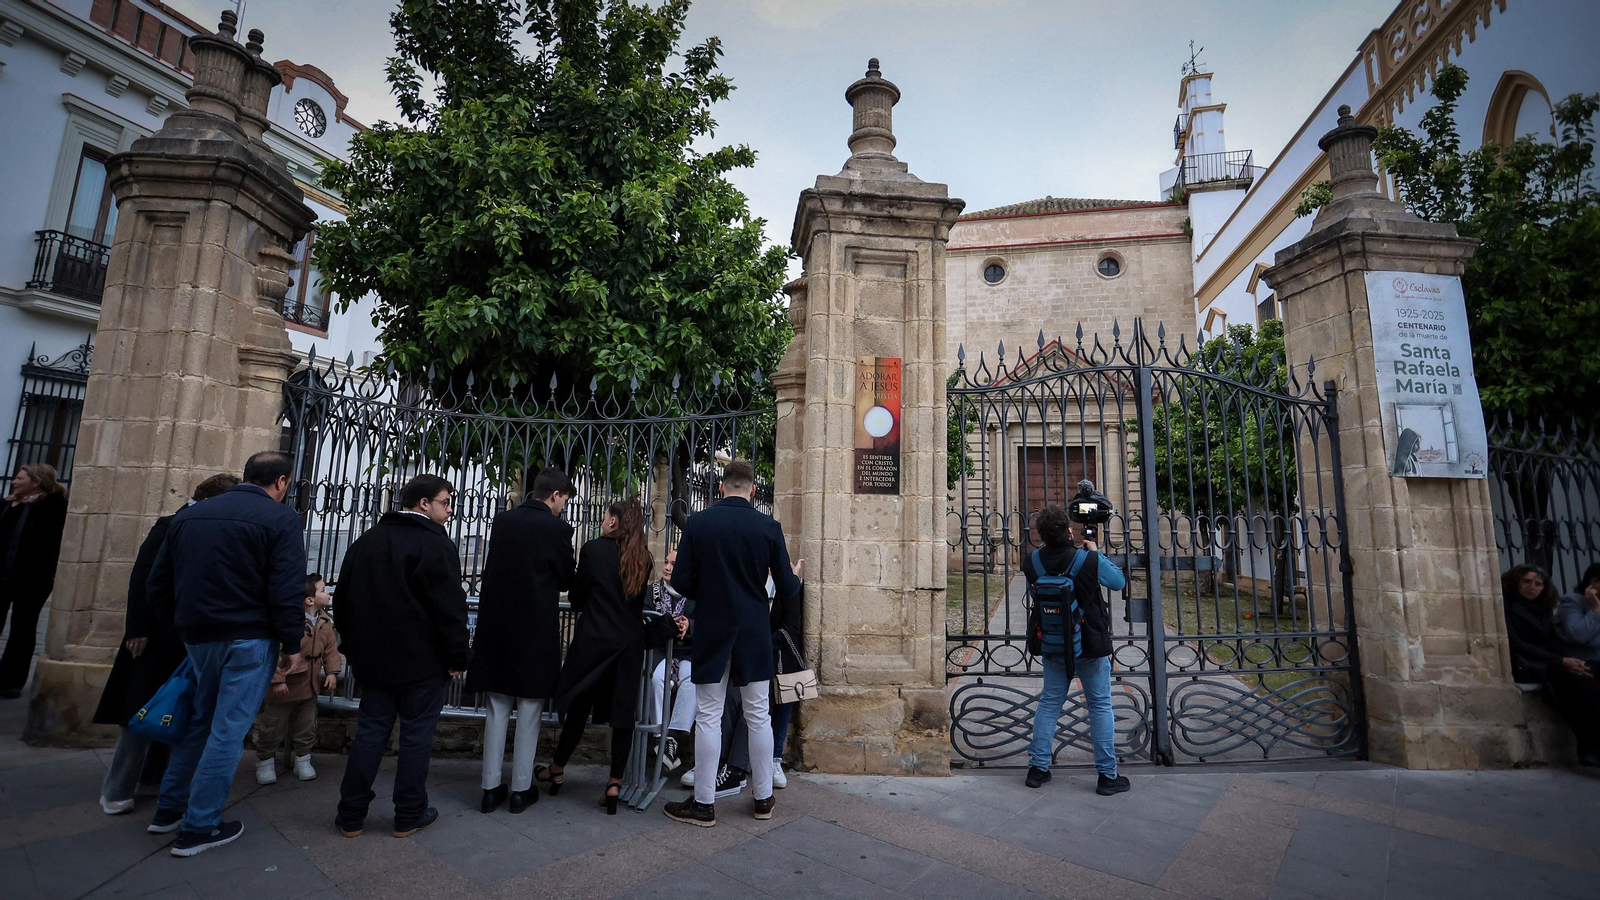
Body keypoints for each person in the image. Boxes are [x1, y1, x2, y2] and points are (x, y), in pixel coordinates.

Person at [144, 452, 307, 857]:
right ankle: (199, 826)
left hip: (199, 636)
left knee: (200, 722)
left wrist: (182, 624)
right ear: (281, 482)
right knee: (227, 731)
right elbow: (286, 587)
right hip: (248, 637)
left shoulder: (188, 516)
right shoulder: (280, 518)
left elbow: (158, 582)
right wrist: (292, 645)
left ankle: (168, 809)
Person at [332, 474, 471, 839]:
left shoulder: (368, 541)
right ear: (423, 503)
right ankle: (409, 813)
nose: (450, 509)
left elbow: (342, 600)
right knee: (416, 736)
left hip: (374, 661)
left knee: (370, 732)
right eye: (445, 501)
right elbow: (450, 608)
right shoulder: (435, 544)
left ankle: (350, 814)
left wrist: (352, 648)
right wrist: (458, 655)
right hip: (422, 664)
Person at [664, 460, 801, 828]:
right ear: (753, 490)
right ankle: (763, 799)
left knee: (708, 715)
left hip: (712, 626)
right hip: (754, 630)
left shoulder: (699, 524)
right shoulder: (769, 527)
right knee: (759, 714)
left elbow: (679, 581)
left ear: (721, 488)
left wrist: (708, 593)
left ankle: (704, 803)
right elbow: (788, 587)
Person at [92, 473, 239, 815]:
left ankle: (154, 778)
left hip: (189, 635)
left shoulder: (202, 526)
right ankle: (116, 789)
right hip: (156, 636)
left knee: (176, 705)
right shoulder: (170, 525)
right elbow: (143, 580)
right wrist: (138, 629)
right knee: (141, 710)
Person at [463, 466, 576, 814]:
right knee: (529, 710)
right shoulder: (556, 528)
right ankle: (520, 790)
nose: (562, 508)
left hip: (497, 627)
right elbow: (566, 578)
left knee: (497, 708)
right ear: (554, 495)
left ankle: (489, 788)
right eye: (563, 501)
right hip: (534, 629)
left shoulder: (502, 522)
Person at [538, 497, 653, 815]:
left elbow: (576, 596)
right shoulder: (644, 557)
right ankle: (614, 783)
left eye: (606, 515)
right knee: (623, 716)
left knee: (578, 707)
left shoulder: (593, 550)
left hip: (595, 642)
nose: (603, 519)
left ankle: (557, 767)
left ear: (614, 521)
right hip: (629, 644)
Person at [1022, 505, 1130, 795]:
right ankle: (1107, 776)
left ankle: (1038, 769)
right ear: (1069, 531)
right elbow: (1119, 582)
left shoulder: (1031, 561)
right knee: (1099, 705)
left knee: (1049, 702)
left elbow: (1037, 594)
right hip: (1090, 644)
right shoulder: (1088, 559)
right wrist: (1096, 553)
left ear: (1040, 535)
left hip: (1053, 642)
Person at [253, 573, 342, 784]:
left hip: (310, 687)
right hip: (284, 686)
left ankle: (303, 759)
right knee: (272, 726)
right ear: (309, 599)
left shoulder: (324, 620)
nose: (327, 592)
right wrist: (277, 680)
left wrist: (331, 672)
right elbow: (273, 653)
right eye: (322, 590)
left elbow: (330, 650)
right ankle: (265, 761)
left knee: (306, 725)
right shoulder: (288, 622)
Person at [0, 463, 69, 697]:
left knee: (23, 628)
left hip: (33, 579)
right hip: (3, 575)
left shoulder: (53, 506)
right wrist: (11, 504)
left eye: (20, 478)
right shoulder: (9, 504)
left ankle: (10, 682)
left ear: (36, 482)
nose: (14, 482)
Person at [1544, 563, 1600, 765]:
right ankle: (1591, 749)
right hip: (1576, 664)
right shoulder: (1572, 602)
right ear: (1589, 583)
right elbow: (1579, 634)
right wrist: (1595, 610)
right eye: (1597, 580)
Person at [647, 549, 693, 772]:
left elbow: (705, 620)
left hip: (687, 653)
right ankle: (660, 737)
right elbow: (645, 624)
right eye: (666, 562)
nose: (666, 567)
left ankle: (672, 737)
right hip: (661, 652)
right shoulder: (651, 592)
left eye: (673, 564)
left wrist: (689, 626)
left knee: (691, 680)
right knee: (658, 679)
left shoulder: (696, 594)